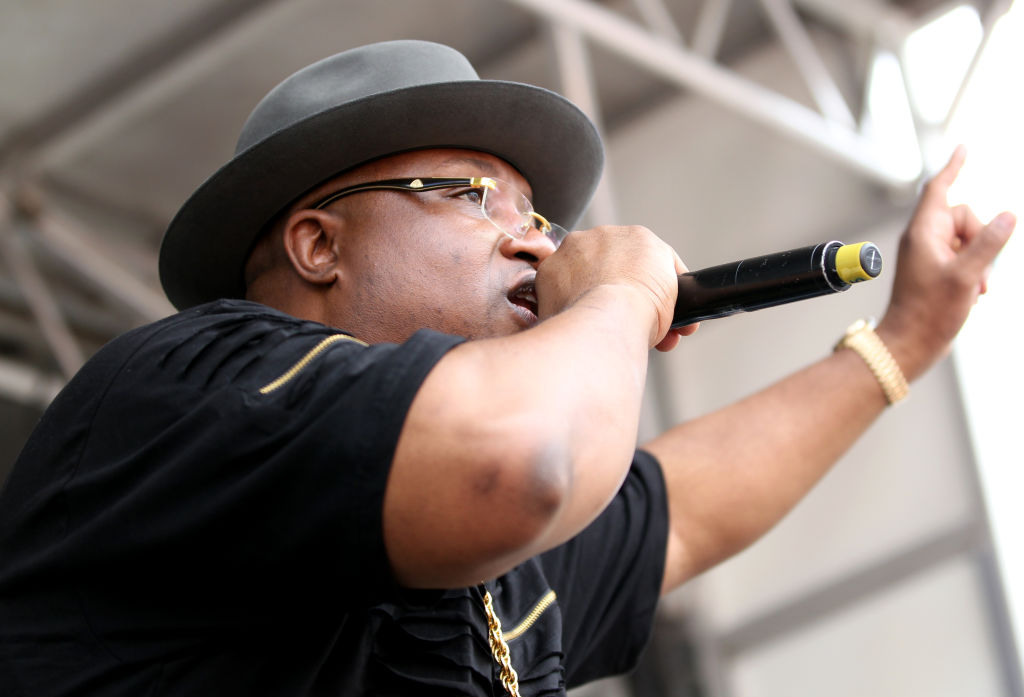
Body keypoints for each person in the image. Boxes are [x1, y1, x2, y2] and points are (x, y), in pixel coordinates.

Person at [0, 39, 1014, 697]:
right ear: (317, 245)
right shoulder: (196, 380)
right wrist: (617, 297)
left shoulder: (484, 539)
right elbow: (515, 461)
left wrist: (908, 338)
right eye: (473, 196)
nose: (533, 242)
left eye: (540, 218)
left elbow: (683, 511)